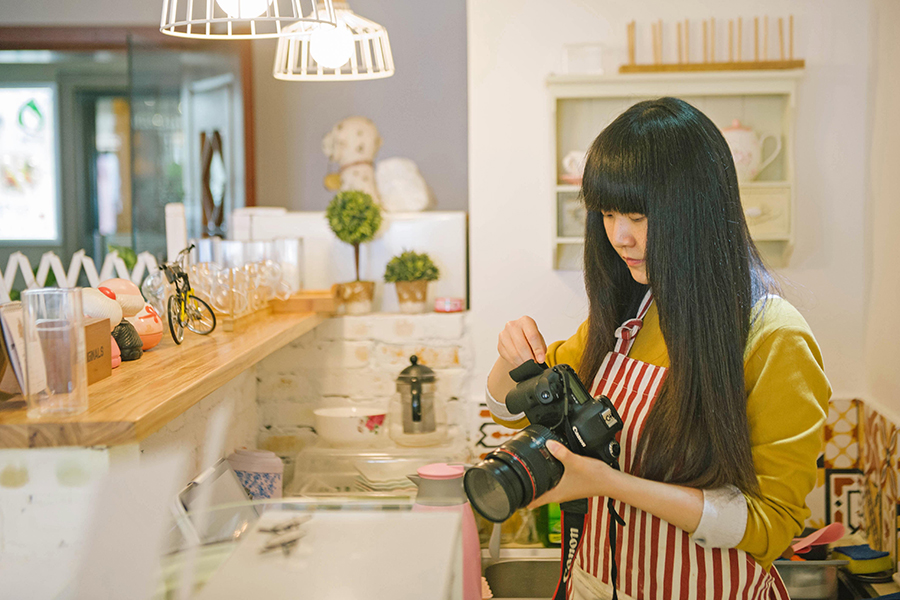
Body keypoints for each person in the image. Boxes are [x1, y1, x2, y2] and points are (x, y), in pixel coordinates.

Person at [486, 97, 831, 600]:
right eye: (607, 214)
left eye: (639, 216)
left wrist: (608, 483)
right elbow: (510, 411)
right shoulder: (630, 316)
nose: (620, 238)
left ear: (699, 213)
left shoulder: (772, 336)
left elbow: (771, 525)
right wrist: (507, 354)